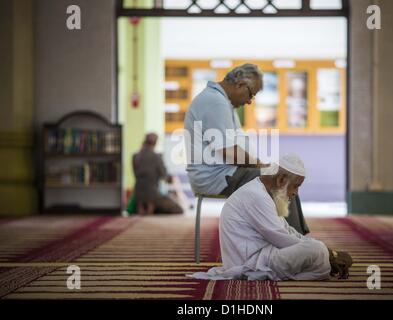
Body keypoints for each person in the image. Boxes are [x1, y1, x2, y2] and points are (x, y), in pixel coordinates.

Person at [184, 63, 309, 234]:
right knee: (282, 180)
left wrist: (261, 165)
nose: (250, 101)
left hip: (225, 174)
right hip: (218, 178)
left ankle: (291, 240)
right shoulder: (215, 102)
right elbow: (229, 152)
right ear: (240, 85)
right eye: (251, 94)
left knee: (279, 176)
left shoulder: (220, 100)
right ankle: (296, 244)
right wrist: (260, 165)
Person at [190, 154, 353, 281]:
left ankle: (315, 265)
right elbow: (282, 238)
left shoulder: (264, 193)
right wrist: (330, 254)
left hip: (264, 256)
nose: (295, 193)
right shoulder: (256, 196)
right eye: (296, 186)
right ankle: (312, 266)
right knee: (316, 250)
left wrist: (327, 252)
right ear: (282, 179)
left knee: (316, 249)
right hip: (251, 264)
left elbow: (287, 231)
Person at [133, 133, 183, 215]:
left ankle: (144, 211)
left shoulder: (135, 156)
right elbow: (164, 175)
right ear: (155, 143)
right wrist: (172, 179)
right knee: (178, 209)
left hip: (138, 193)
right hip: (153, 194)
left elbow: (135, 174)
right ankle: (151, 211)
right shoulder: (156, 157)